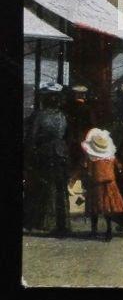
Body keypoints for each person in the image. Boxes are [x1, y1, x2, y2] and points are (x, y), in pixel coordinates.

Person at [23, 82, 71, 236]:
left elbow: (31, 138)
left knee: (42, 187)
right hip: (61, 154)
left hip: (44, 154)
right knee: (60, 189)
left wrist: (28, 157)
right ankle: (61, 223)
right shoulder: (63, 116)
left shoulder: (39, 115)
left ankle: (43, 222)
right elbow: (67, 137)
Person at [81, 128, 123, 240]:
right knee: (108, 209)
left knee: (94, 208)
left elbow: (88, 170)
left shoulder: (91, 158)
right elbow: (119, 167)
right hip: (110, 184)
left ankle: (94, 231)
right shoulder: (111, 157)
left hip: (96, 185)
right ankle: (109, 231)